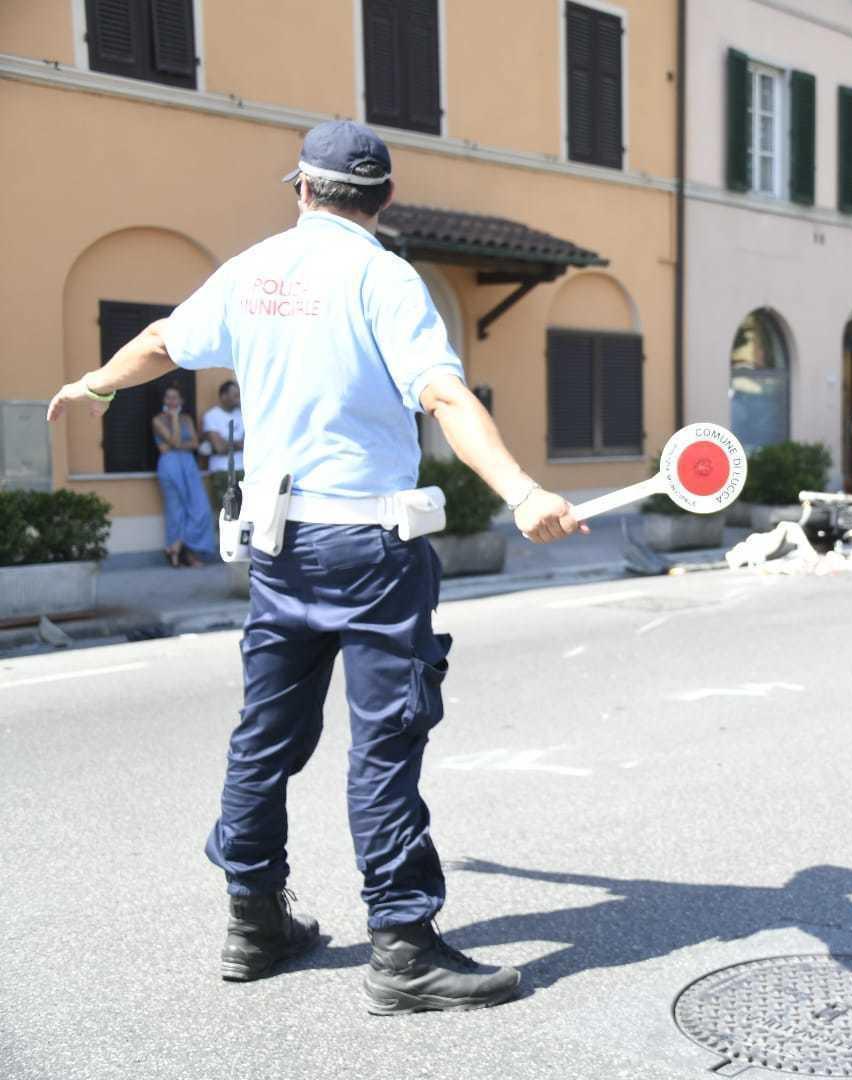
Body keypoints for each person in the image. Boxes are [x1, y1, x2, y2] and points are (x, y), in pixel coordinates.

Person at [46, 120, 582, 1015]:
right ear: (384, 199)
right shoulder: (385, 277)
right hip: (371, 549)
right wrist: (522, 490)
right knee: (384, 743)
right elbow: (443, 392)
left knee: (266, 736)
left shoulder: (251, 270)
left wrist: (95, 385)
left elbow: (161, 344)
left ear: (302, 187)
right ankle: (403, 948)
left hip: (278, 547)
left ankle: (253, 923)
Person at [152, 384, 219, 567]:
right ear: (164, 401)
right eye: (168, 398)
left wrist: (175, 445)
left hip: (188, 464)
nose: (172, 401)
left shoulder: (187, 419)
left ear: (181, 401)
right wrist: (173, 419)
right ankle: (182, 556)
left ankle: (177, 546)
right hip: (169, 466)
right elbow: (175, 440)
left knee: (200, 509)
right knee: (176, 511)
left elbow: (194, 444)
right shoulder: (158, 420)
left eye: (175, 398)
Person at [201, 379, 245, 475]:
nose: (239, 399)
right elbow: (219, 448)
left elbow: (249, 443)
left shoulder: (242, 415)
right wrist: (240, 444)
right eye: (235, 396)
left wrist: (228, 442)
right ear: (224, 396)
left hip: (243, 469)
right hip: (222, 471)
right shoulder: (211, 415)